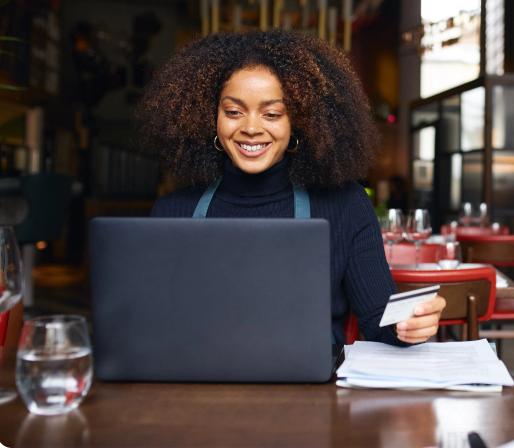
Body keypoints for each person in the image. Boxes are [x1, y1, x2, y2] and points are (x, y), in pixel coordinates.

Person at [139, 30, 445, 345]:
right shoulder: (173, 211)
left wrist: (410, 324)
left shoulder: (345, 206)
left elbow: (379, 322)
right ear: (210, 117)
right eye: (233, 112)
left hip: (309, 389)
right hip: (197, 383)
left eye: (272, 114)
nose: (251, 128)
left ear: (298, 121)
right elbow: (150, 324)